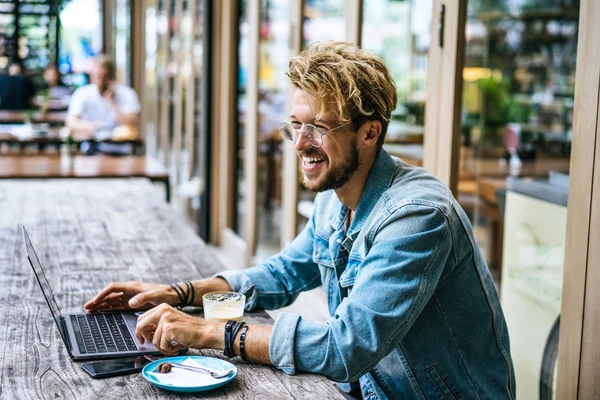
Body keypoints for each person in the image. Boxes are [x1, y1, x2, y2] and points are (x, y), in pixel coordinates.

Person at [85, 42, 515, 399]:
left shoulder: (416, 217)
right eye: (295, 125)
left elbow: (347, 346)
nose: (301, 144)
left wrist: (210, 332)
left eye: (319, 127)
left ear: (370, 133)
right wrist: (181, 295)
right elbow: (281, 276)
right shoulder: (337, 194)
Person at [66, 55, 139, 154]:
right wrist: (92, 128)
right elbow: (71, 122)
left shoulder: (127, 94)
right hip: (93, 149)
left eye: (104, 77)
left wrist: (111, 102)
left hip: (121, 150)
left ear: (111, 77)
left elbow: (130, 124)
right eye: (97, 76)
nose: (100, 82)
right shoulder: (82, 93)